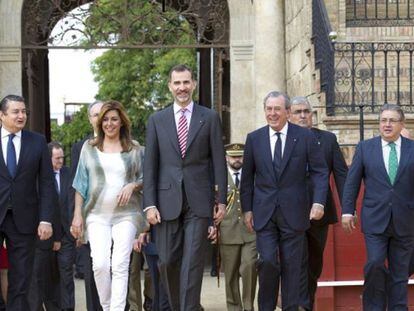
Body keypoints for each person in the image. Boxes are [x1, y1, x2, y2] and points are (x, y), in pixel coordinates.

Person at [143, 64, 227, 310]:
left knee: (192, 263)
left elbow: (218, 160)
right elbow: (150, 166)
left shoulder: (209, 117)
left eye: (186, 82)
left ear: (193, 84)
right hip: (166, 202)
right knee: (167, 261)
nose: (182, 88)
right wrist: (149, 204)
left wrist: (221, 200)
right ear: (170, 86)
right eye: (177, 83)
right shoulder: (157, 120)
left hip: (199, 202)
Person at [240, 91, 329, 311]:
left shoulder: (305, 137)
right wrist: (247, 210)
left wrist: (318, 202)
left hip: (296, 213)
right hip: (265, 213)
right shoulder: (254, 138)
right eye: (268, 109)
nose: (272, 113)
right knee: (268, 262)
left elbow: (320, 171)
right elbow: (247, 178)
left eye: (277, 109)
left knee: (293, 268)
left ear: (287, 112)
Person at [71, 100, 146, 311]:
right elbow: (80, 184)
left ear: (122, 122)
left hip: (127, 214)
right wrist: (77, 215)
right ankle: (108, 307)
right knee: (101, 264)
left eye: (114, 119)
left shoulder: (135, 149)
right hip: (96, 215)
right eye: (105, 119)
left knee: (121, 264)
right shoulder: (89, 148)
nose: (109, 123)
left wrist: (133, 185)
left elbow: (147, 177)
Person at [342, 103, 414, 310]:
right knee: (374, 264)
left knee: (400, 273)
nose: (387, 124)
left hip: (405, 220)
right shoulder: (365, 148)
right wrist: (347, 210)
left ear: (402, 124)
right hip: (375, 220)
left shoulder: (412, 148)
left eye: (392, 120)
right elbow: (352, 182)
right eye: (383, 120)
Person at [289, 96, 348, 310]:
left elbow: (342, 175)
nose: (303, 116)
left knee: (314, 262)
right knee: (297, 260)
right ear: (289, 115)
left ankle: (306, 302)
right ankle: (300, 305)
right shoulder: (282, 138)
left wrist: (347, 208)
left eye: (307, 111)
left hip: (320, 212)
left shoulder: (328, 139)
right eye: (298, 112)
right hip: (289, 211)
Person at [0, 94, 55, 310]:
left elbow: (47, 183)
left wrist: (46, 219)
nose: (21, 115)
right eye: (16, 112)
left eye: (24, 111)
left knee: (21, 279)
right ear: (2, 115)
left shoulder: (37, 141)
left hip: (24, 219)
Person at [70, 100, 103, 311]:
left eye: (104, 113)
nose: (99, 118)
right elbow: (75, 186)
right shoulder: (79, 148)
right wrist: (76, 219)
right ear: (89, 119)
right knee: (92, 272)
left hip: (119, 218)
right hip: (91, 220)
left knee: (118, 271)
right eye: (95, 114)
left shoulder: (126, 145)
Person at [219, 143, 257, 311]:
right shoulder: (218, 176)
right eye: (233, 156)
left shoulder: (253, 175)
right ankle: (234, 308)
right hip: (228, 230)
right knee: (231, 274)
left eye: (240, 156)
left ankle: (248, 306)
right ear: (226, 158)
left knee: (249, 266)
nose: (236, 160)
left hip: (250, 230)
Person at [48, 141, 76, 311]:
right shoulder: (41, 175)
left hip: (67, 235)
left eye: (62, 158)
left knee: (66, 276)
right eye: (57, 158)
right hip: (47, 236)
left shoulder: (68, 173)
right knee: (50, 278)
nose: (60, 161)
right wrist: (54, 237)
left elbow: (73, 202)